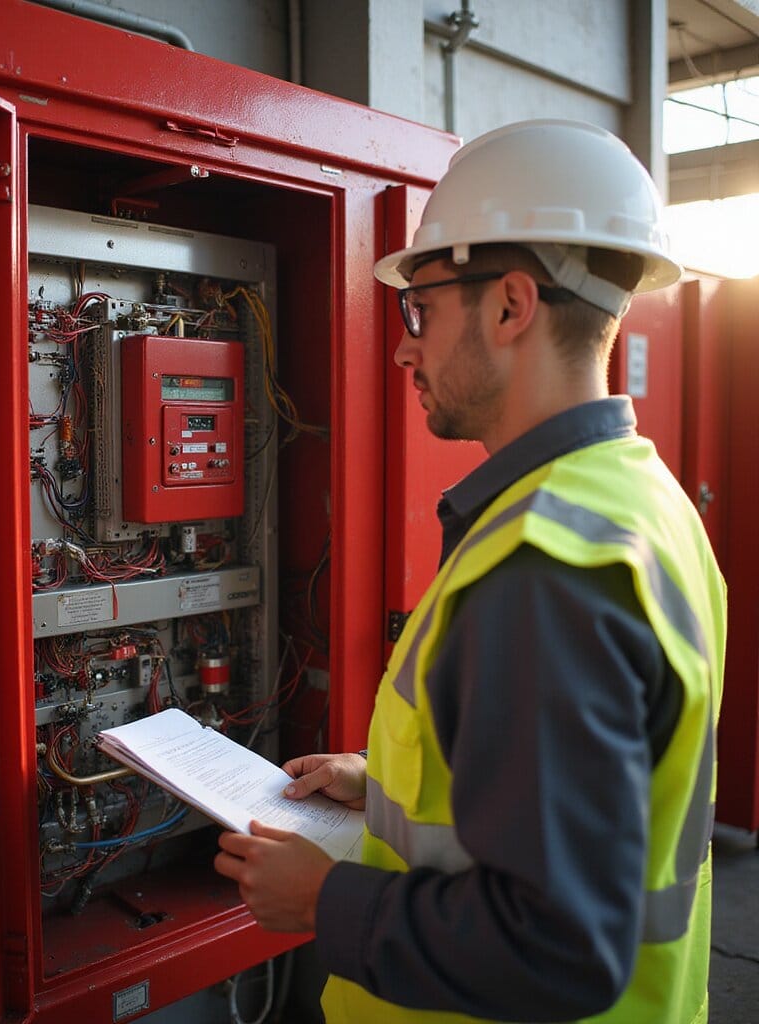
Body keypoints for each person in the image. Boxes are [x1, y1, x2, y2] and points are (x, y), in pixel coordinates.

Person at [214, 119, 727, 1024]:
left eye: (423, 307)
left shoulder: (546, 567)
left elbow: (560, 947)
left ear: (510, 306)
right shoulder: (644, 504)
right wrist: (380, 789)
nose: (405, 346)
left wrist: (322, 902)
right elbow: (598, 806)